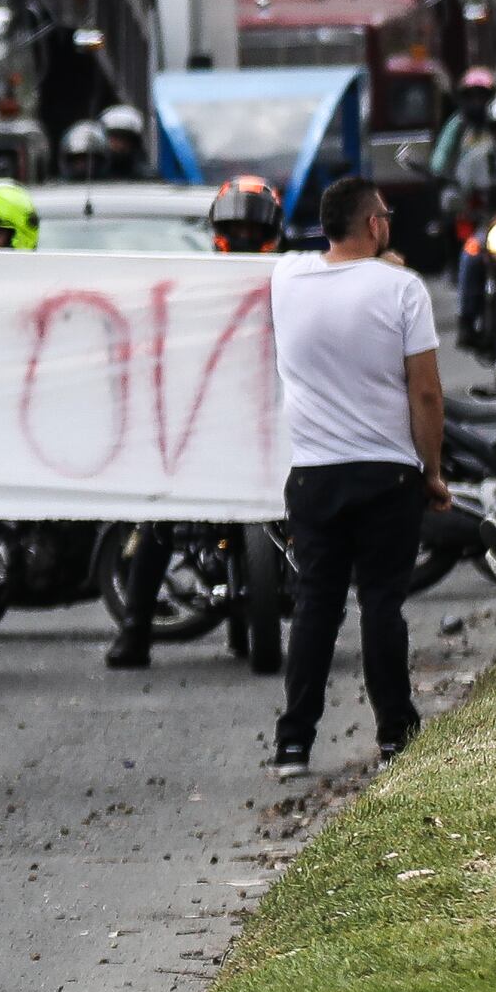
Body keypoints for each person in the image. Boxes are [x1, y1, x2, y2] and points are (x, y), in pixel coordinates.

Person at [270, 175, 445, 782]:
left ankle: (293, 743)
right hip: (387, 475)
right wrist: (433, 470)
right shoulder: (403, 290)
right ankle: (395, 731)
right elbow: (426, 392)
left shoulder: (286, 278)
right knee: (381, 604)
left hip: (312, 476)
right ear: (374, 224)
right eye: (386, 215)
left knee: (316, 606)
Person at [105, 175, 287, 668]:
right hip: (202, 423)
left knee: (320, 511)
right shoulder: (193, 281)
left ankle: (323, 607)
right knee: (161, 518)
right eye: (235, 230)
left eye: (253, 231)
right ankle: (134, 628)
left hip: (275, 422)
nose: (244, 239)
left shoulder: (295, 278)